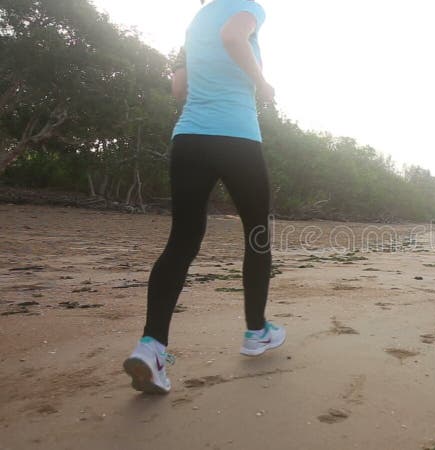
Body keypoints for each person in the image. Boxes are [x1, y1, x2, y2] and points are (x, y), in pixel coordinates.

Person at [122, 0, 285, 395]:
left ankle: (152, 347)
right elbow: (233, 36)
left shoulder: (195, 24)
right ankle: (255, 331)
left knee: (181, 243)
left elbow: (179, 87)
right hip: (237, 137)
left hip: (190, 138)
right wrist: (261, 83)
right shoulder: (248, 7)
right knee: (256, 235)